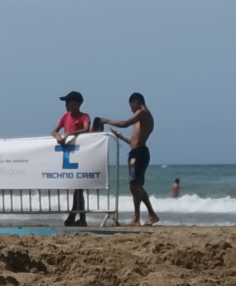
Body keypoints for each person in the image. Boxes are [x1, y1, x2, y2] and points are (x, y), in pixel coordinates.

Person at [103, 91, 160, 226]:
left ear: (136, 102)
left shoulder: (142, 113)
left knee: (136, 185)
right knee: (133, 186)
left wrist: (106, 121)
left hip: (139, 154)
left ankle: (152, 213)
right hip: (136, 152)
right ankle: (136, 217)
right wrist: (121, 137)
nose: (131, 109)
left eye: (131, 106)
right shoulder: (140, 118)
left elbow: (124, 123)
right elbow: (134, 141)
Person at [52, 91, 93, 227]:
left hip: (81, 156)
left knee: (79, 188)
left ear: (75, 103)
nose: (66, 105)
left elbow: (86, 129)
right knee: (76, 188)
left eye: (67, 102)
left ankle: (78, 217)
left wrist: (70, 134)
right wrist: (58, 136)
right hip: (69, 156)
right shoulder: (65, 116)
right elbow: (55, 130)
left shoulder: (84, 116)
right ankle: (76, 217)